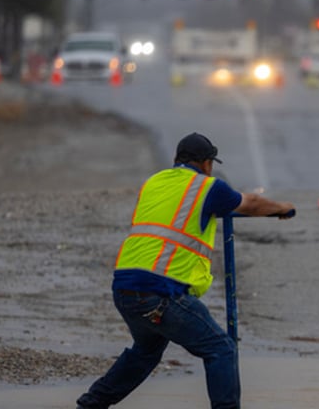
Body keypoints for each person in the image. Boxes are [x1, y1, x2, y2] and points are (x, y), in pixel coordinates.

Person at [76, 133, 295, 409]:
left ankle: (91, 404)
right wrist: (283, 208)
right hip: (159, 293)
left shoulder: (154, 183)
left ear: (177, 160)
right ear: (205, 163)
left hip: (124, 287)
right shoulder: (207, 187)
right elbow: (250, 203)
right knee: (221, 349)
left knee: (146, 351)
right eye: (211, 164)